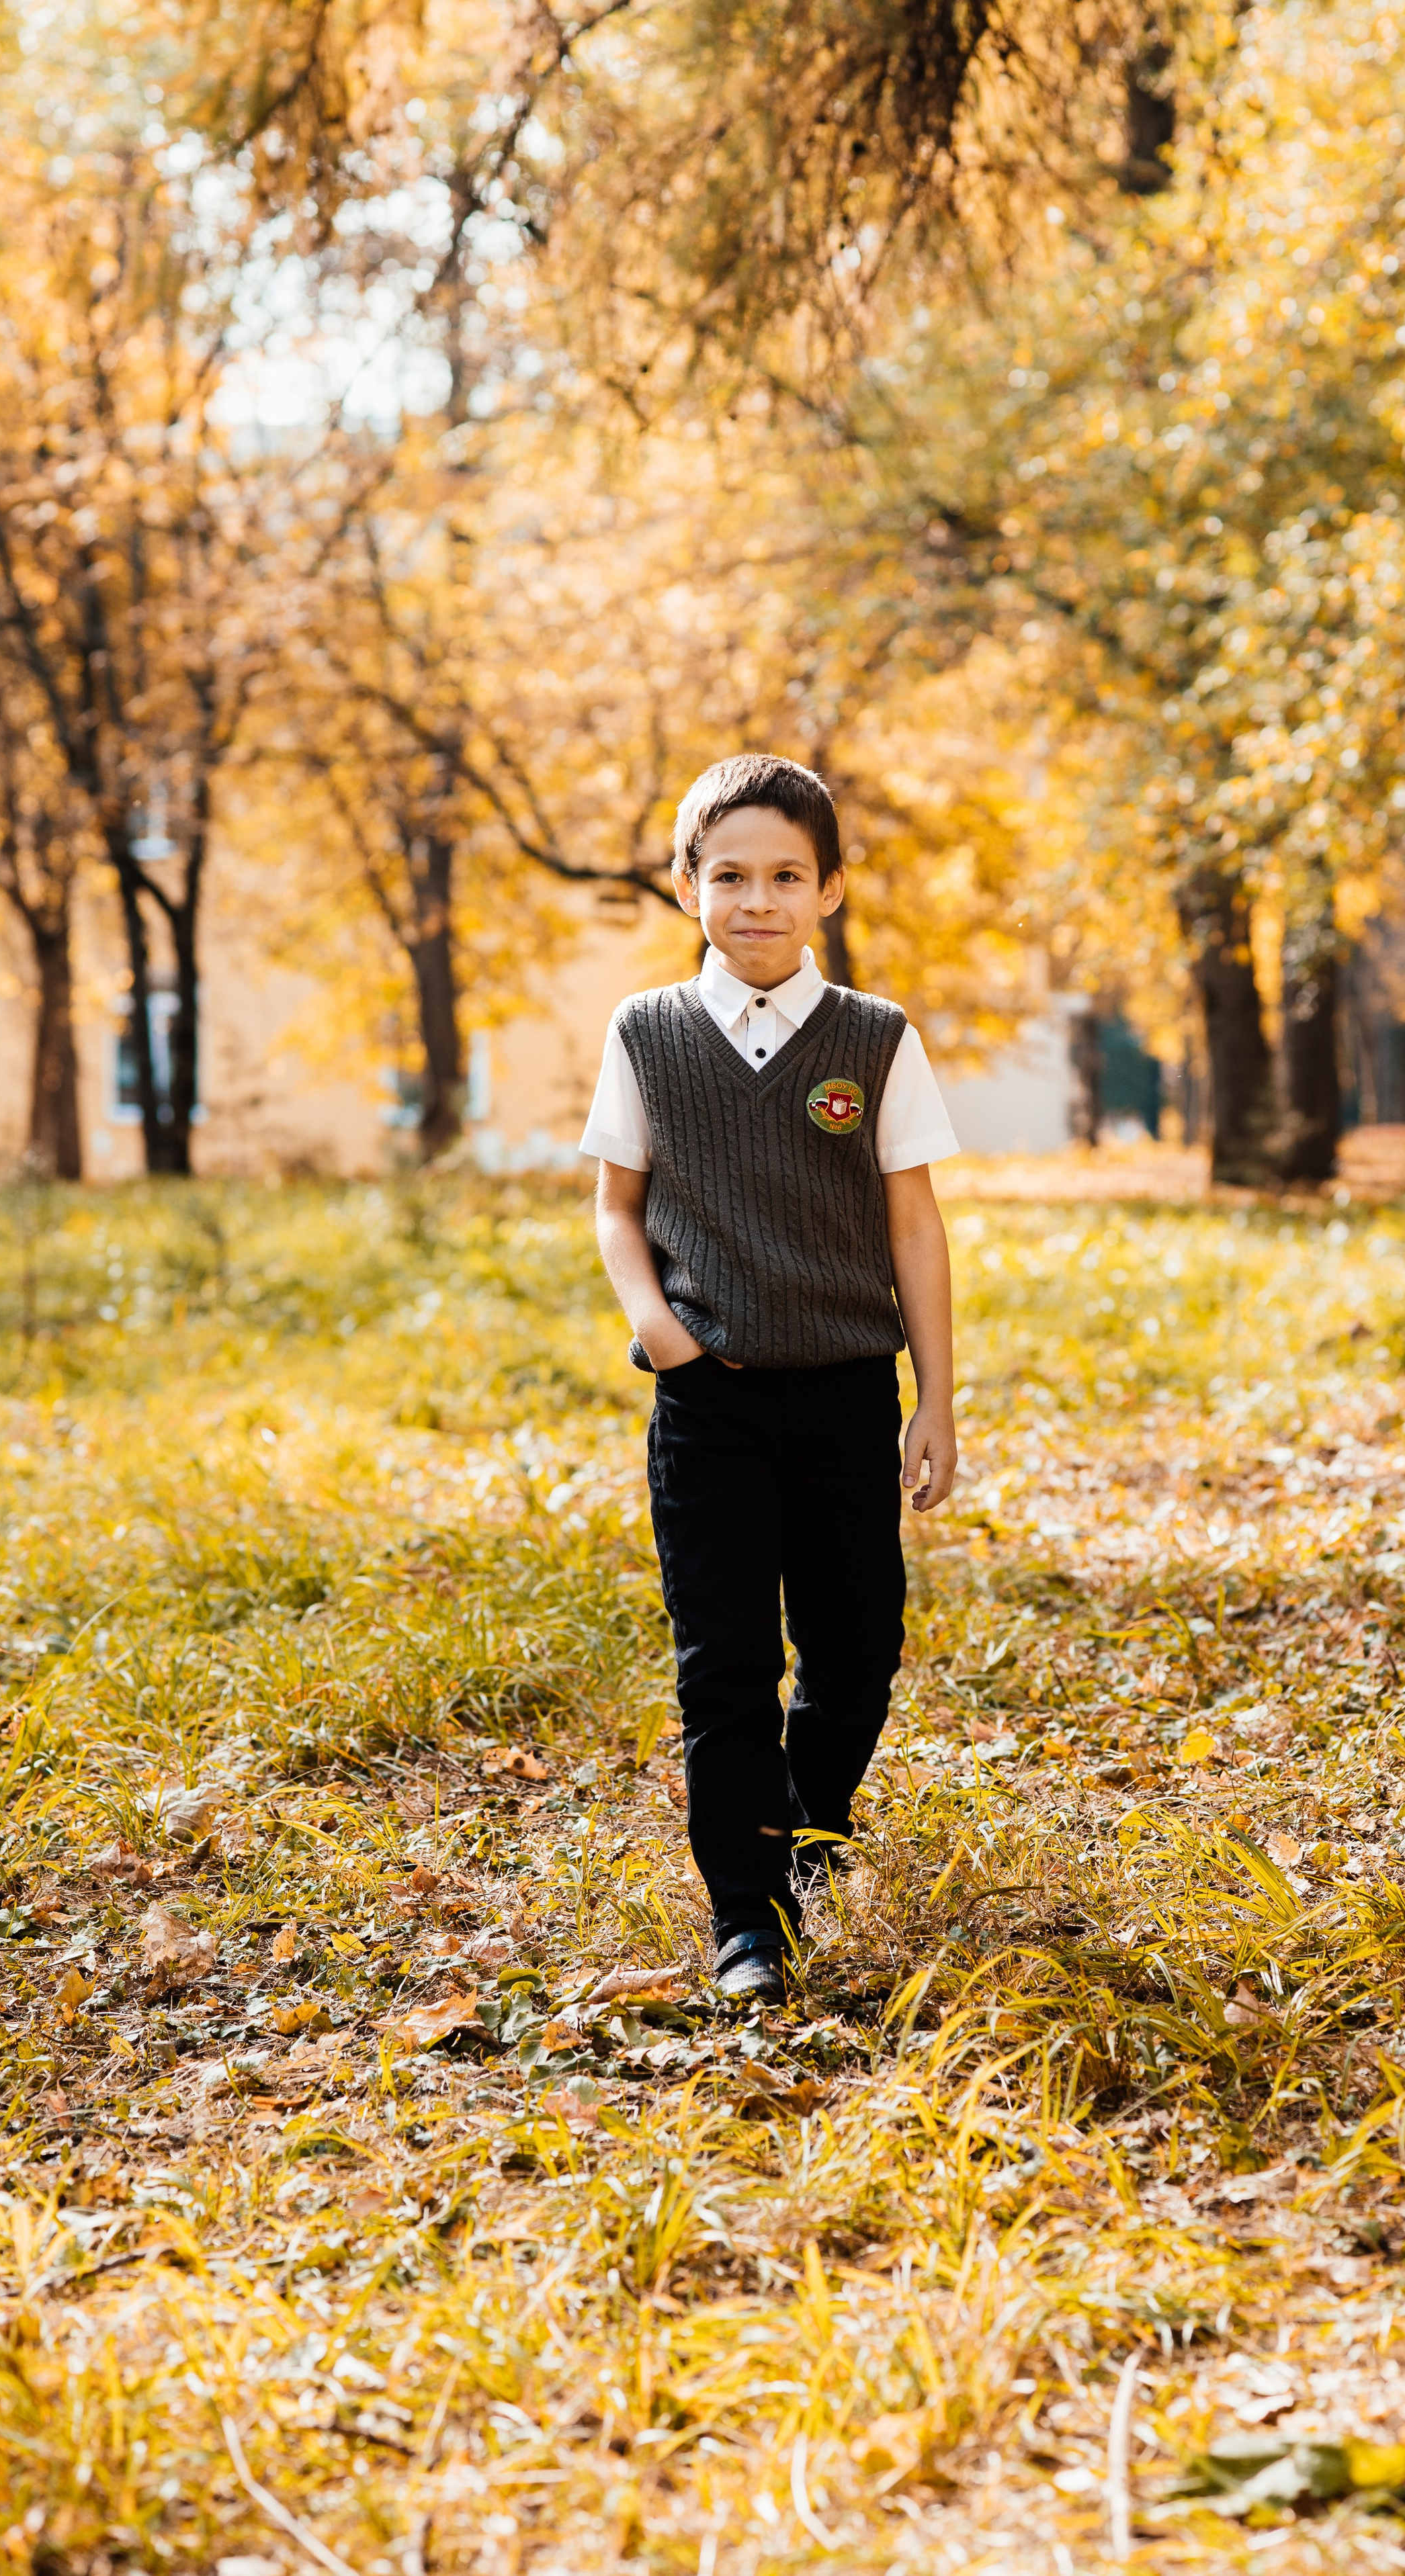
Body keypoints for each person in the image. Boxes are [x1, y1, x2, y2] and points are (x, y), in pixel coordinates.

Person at [581, 753, 960, 2002]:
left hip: (847, 1392)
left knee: (857, 1650)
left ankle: (810, 1820)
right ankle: (748, 1917)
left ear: (831, 890)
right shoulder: (647, 1034)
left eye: (786, 876)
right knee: (726, 1659)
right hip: (711, 1404)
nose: (759, 900)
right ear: (688, 886)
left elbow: (915, 1227)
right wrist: (664, 1333)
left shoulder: (875, 1039)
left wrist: (936, 1402)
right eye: (730, 874)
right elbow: (617, 1207)